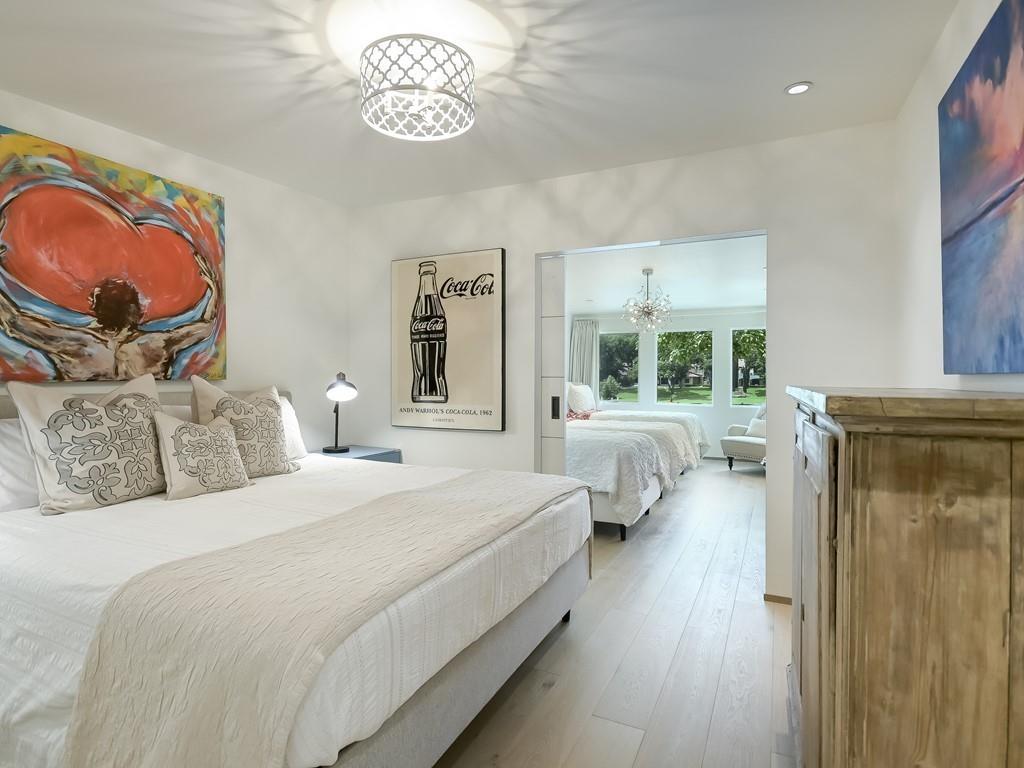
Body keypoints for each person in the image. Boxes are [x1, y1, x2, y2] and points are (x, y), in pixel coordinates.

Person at [0, 243, 221, 381]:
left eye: (93, 300)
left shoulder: (75, 343)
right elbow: (207, 325)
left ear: (98, 309)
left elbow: (12, 321)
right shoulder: (157, 343)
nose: (88, 301)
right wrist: (214, 290)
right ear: (135, 310)